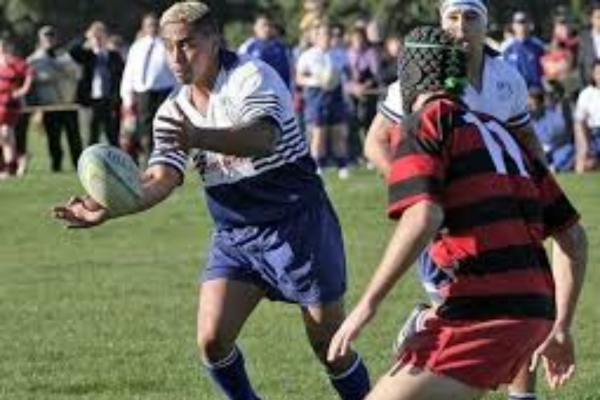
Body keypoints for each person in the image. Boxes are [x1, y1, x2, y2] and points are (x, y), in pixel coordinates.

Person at [53, 3, 370, 400]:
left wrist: (198, 136)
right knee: (211, 341)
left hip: (297, 223)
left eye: (187, 45)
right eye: (169, 46)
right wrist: (114, 203)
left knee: (330, 348)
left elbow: (261, 138)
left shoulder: (251, 76)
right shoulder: (173, 109)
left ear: (214, 40)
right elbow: (162, 176)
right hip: (236, 234)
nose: (176, 56)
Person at [328, 25, 587, 400]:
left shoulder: (423, 124)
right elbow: (573, 238)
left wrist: (366, 306)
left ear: (411, 74)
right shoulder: (500, 132)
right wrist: (560, 327)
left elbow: (424, 216)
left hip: (485, 314)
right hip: (535, 311)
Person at [364, 3, 547, 399]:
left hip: (501, 213)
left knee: (512, 302)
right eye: (452, 17)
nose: (460, 26)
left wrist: (531, 187)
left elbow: (527, 139)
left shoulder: (506, 77)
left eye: (470, 17)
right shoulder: (415, 80)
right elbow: (376, 141)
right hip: (447, 222)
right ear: (440, 21)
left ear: (486, 24)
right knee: (479, 312)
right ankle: (427, 328)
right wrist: (418, 188)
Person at [296, 21, 351, 179]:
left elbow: (346, 74)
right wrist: (317, 81)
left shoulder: (340, 53)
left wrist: (345, 83)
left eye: (329, 34)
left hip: (336, 94)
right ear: (316, 37)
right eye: (323, 34)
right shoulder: (308, 55)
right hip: (316, 96)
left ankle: (343, 166)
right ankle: (317, 166)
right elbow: (299, 78)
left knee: (338, 132)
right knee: (318, 133)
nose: (327, 37)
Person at [120, 12, 177, 165]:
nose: (152, 27)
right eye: (148, 25)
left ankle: (163, 159)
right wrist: (127, 96)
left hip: (164, 92)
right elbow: (129, 72)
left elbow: (175, 71)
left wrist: (178, 93)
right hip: (142, 92)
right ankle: (146, 156)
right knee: (142, 127)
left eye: (154, 24)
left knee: (163, 127)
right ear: (143, 27)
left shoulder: (167, 45)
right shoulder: (137, 47)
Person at [28, 25, 83, 173]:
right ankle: (56, 166)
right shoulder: (34, 60)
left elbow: (77, 74)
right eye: (46, 37)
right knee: (54, 139)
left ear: (56, 39)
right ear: (40, 39)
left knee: (74, 138)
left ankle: (79, 167)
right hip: (49, 106)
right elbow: (33, 80)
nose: (49, 39)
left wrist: (61, 66)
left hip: (68, 104)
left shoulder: (65, 56)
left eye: (52, 36)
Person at [69, 21, 124, 147]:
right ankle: (90, 164)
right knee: (91, 135)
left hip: (109, 100)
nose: (98, 40)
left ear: (106, 37)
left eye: (101, 36)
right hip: (90, 101)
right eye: (95, 37)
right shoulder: (86, 55)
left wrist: (117, 99)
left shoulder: (114, 56)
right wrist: (85, 38)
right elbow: (72, 50)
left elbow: (120, 78)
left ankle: (114, 163)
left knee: (112, 135)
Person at [0, 36, 32, 179]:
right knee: (5, 138)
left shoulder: (18, 63)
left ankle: (10, 167)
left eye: (4, 47)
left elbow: (29, 75)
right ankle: (14, 163)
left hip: (10, 105)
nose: (2, 49)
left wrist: (22, 90)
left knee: (7, 134)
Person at [238, 13, 292, 89]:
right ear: (255, 27)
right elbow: (239, 72)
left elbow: (291, 72)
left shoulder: (282, 47)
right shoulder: (247, 47)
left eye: (270, 25)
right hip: (256, 92)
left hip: (279, 93)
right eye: (263, 25)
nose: (267, 29)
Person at [573, 59, 600, 172]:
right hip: (595, 134)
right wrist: (583, 148)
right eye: (598, 73)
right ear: (593, 75)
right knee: (586, 164)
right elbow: (579, 121)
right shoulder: (586, 94)